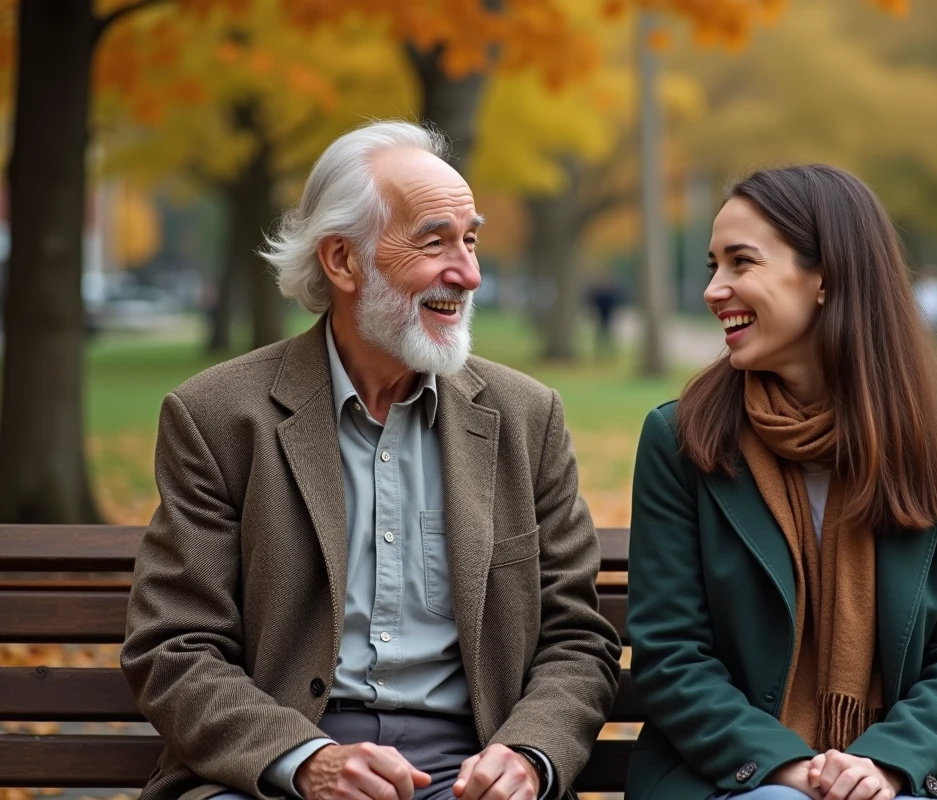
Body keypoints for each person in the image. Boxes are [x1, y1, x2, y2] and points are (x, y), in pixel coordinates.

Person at [121, 121, 622, 800]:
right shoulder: (219, 418)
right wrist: (304, 760)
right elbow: (174, 649)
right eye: (435, 242)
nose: (468, 273)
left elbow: (576, 638)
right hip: (279, 771)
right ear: (342, 261)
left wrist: (530, 753)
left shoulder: (526, 418)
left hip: (471, 771)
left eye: (470, 240)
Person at [625, 165, 937, 800]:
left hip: (903, 778)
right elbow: (671, 657)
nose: (714, 289)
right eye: (712, 266)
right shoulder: (683, 439)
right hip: (731, 777)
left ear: (826, 280)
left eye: (740, 263)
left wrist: (884, 764)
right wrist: (786, 767)